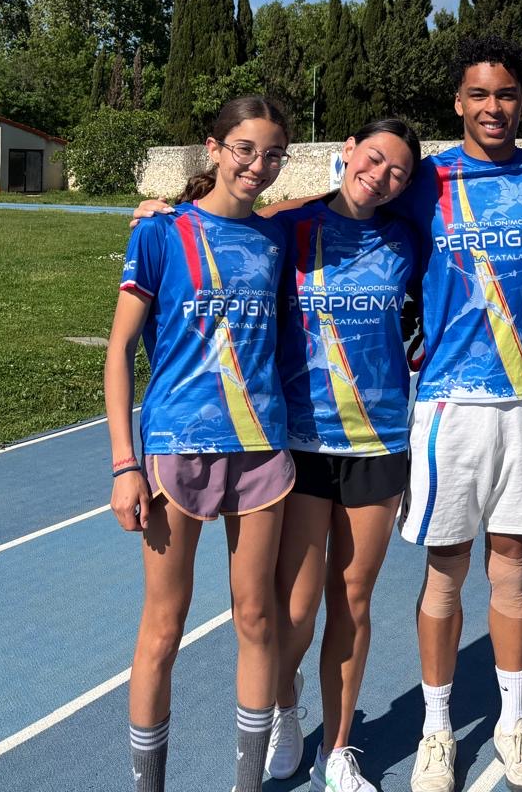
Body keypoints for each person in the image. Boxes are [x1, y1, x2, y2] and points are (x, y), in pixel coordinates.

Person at [387, 36, 522, 792]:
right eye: (479, 94)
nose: (492, 107)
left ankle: (511, 720)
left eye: (505, 94)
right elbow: (339, 204)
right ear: (458, 102)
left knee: (513, 568)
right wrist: (192, 205)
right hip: (450, 403)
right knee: (446, 572)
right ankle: (437, 729)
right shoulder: (426, 180)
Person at [105, 95, 296, 792]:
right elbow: (120, 351)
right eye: (244, 149)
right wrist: (124, 465)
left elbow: (338, 200)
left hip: (261, 444)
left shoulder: (276, 239)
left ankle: (248, 785)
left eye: (273, 155)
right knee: (164, 627)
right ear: (214, 149)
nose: (258, 166)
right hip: (175, 444)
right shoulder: (160, 233)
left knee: (257, 616)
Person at [261, 119, 423, 792]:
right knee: (296, 608)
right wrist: (166, 210)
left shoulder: (407, 240)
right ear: (347, 152)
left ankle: (338, 748)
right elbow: (224, 221)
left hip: (377, 443)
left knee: (352, 599)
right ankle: (284, 707)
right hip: (302, 443)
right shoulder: (290, 229)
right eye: (374, 158)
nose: (380, 176)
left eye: (398, 172)